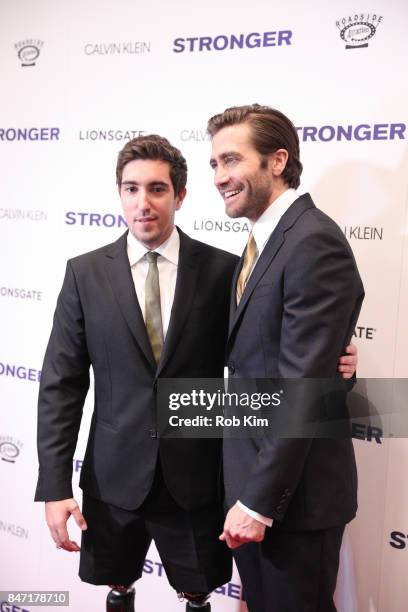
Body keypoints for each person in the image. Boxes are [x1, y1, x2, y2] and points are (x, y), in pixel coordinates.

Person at [35, 133, 358, 611]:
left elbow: (269, 359)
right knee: (116, 587)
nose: (142, 203)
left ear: (180, 196)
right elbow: (61, 384)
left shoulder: (225, 270)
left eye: (157, 189)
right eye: (130, 188)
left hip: (196, 481)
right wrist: (54, 484)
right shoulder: (84, 274)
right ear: (119, 194)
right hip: (114, 478)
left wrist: (340, 368)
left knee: (199, 593)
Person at [207, 104, 365, 612]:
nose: (220, 177)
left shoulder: (312, 240)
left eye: (231, 160)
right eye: (213, 164)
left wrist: (258, 501)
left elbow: (303, 387)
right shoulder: (264, 241)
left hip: (290, 502)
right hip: (259, 485)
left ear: (278, 161)